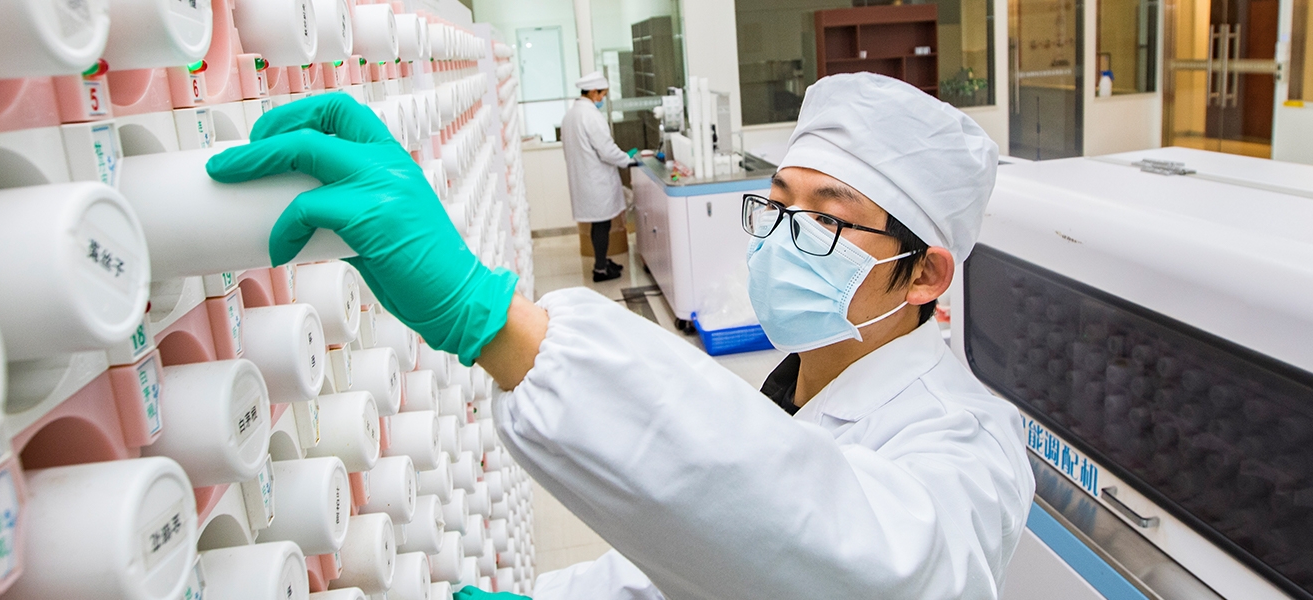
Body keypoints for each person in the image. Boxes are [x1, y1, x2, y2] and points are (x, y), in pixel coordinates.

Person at [206, 73, 1034, 600]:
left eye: (827, 218)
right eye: (778, 202)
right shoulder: (797, 386)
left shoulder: (968, 447)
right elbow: (709, 554)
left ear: (924, 276)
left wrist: (491, 320)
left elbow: (865, 566)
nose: (783, 235)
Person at [560, 72, 638, 282]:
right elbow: (607, 150)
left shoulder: (570, 115)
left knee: (599, 224)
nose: (603, 98)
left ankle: (601, 261)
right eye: (602, 94)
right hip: (596, 180)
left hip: (584, 178)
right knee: (602, 224)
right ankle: (600, 269)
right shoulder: (591, 116)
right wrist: (627, 160)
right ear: (594, 92)